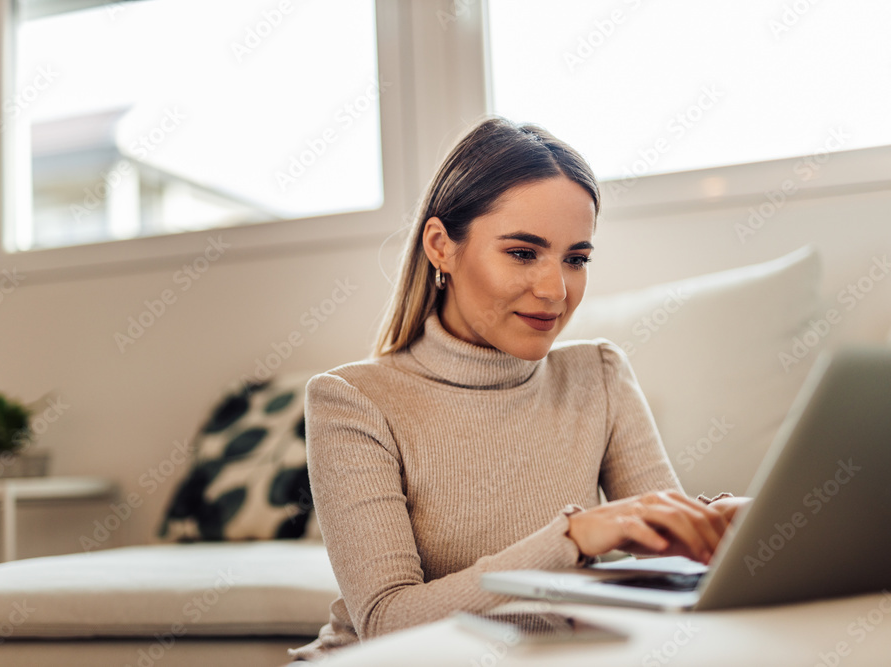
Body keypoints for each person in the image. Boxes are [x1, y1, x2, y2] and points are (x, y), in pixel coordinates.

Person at [287, 117, 748, 662]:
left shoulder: (598, 375)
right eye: (523, 253)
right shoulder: (352, 401)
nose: (555, 290)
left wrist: (725, 528)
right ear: (441, 247)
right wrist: (572, 538)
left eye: (576, 259)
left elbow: (667, 554)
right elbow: (389, 623)